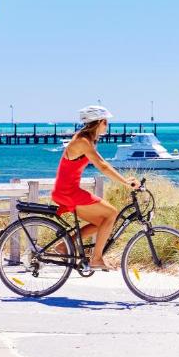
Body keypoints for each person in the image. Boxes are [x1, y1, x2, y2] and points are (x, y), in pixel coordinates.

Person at [51, 105, 136, 270]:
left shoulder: (87, 140)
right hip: (67, 192)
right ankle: (96, 258)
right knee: (111, 213)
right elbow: (102, 167)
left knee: (103, 222)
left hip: (69, 190)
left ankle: (64, 246)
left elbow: (103, 163)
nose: (108, 125)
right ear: (100, 122)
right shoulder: (83, 142)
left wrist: (125, 180)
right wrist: (126, 182)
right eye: (106, 122)